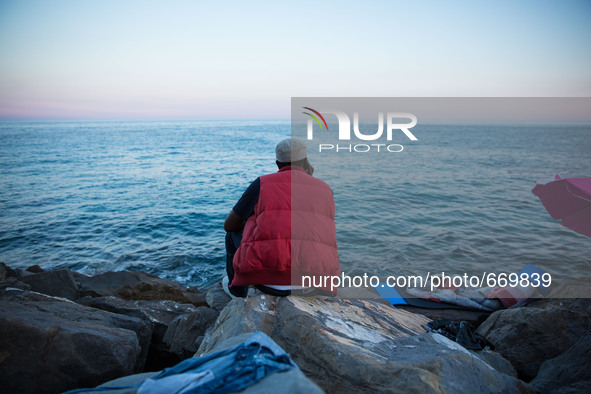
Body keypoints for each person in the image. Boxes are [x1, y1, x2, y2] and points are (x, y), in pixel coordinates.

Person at [223, 137, 340, 298]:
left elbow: (229, 225)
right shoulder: (325, 189)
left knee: (232, 235)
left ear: (277, 164)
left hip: (270, 285)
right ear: (306, 162)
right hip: (316, 286)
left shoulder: (262, 183)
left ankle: (237, 292)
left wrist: (253, 218)